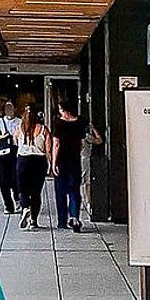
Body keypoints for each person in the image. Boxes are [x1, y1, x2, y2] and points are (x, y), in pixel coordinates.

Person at [49, 90, 96, 230]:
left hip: (61, 160)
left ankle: (62, 221)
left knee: (61, 192)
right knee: (74, 190)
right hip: (75, 159)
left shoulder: (58, 124)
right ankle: (74, 217)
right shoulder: (80, 122)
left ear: (64, 110)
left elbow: (56, 144)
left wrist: (53, 162)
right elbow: (81, 143)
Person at [13, 100, 50, 228]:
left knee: (22, 189)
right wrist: (51, 164)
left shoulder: (19, 128)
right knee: (36, 192)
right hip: (39, 161)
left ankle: (25, 207)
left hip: (23, 160)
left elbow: (16, 142)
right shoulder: (43, 129)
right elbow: (48, 149)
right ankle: (33, 220)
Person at [0, 96, 21, 215]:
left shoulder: (19, 121)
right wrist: (3, 136)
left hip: (15, 152)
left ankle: (17, 200)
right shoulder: (0, 121)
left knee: (15, 178)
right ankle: (8, 205)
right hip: (2, 154)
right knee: (3, 180)